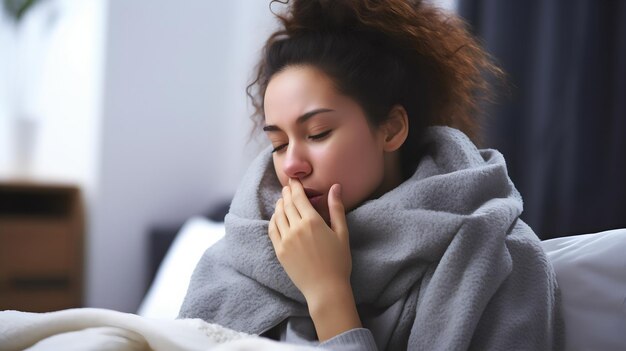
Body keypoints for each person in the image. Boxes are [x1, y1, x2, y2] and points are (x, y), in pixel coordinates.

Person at [179, 0, 562, 350]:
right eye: (278, 144)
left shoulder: (498, 253)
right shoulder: (237, 256)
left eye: (317, 134)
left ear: (391, 129)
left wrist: (328, 293)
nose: (292, 165)